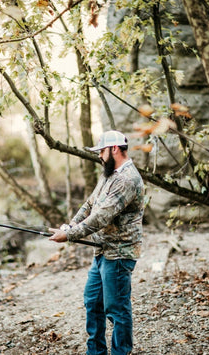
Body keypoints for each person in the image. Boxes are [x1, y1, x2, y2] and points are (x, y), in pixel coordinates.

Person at [49, 130, 145, 355]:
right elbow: (90, 205)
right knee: (92, 302)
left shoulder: (128, 179)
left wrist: (70, 236)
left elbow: (102, 217)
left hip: (119, 255)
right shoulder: (109, 174)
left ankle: (121, 352)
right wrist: (70, 226)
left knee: (117, 310)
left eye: (101, 151)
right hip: (102, 251)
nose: (99, 156)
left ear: (114, 149)